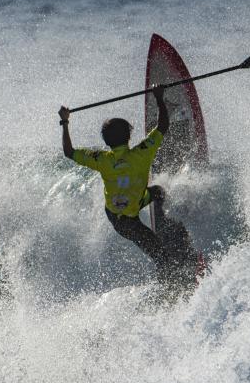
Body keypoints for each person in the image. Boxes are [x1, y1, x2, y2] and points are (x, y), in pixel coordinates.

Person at [58, 87, 197, 284]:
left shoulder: (101, 159)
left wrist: (65, 121)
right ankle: (170, 290)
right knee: (162, 258)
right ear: (129, 137)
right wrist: (159, 98)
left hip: (117, 211)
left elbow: (69, 152)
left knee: (157, 192)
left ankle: (163, 227)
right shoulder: (142, 153)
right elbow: (162, 127)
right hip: (128, 223)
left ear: (106, 142)